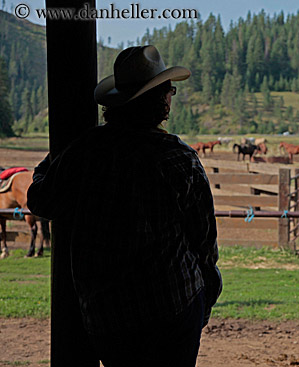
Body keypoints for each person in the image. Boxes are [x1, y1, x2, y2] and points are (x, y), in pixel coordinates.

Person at [27, 45, 221, 367]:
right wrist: (205, 295)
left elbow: (41, 201)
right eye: (169, 91)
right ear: (160, 99)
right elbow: (204, 242)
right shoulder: (178, 158)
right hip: (173, 303)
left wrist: (48, 166)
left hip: (109, 316)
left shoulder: (84, 152)